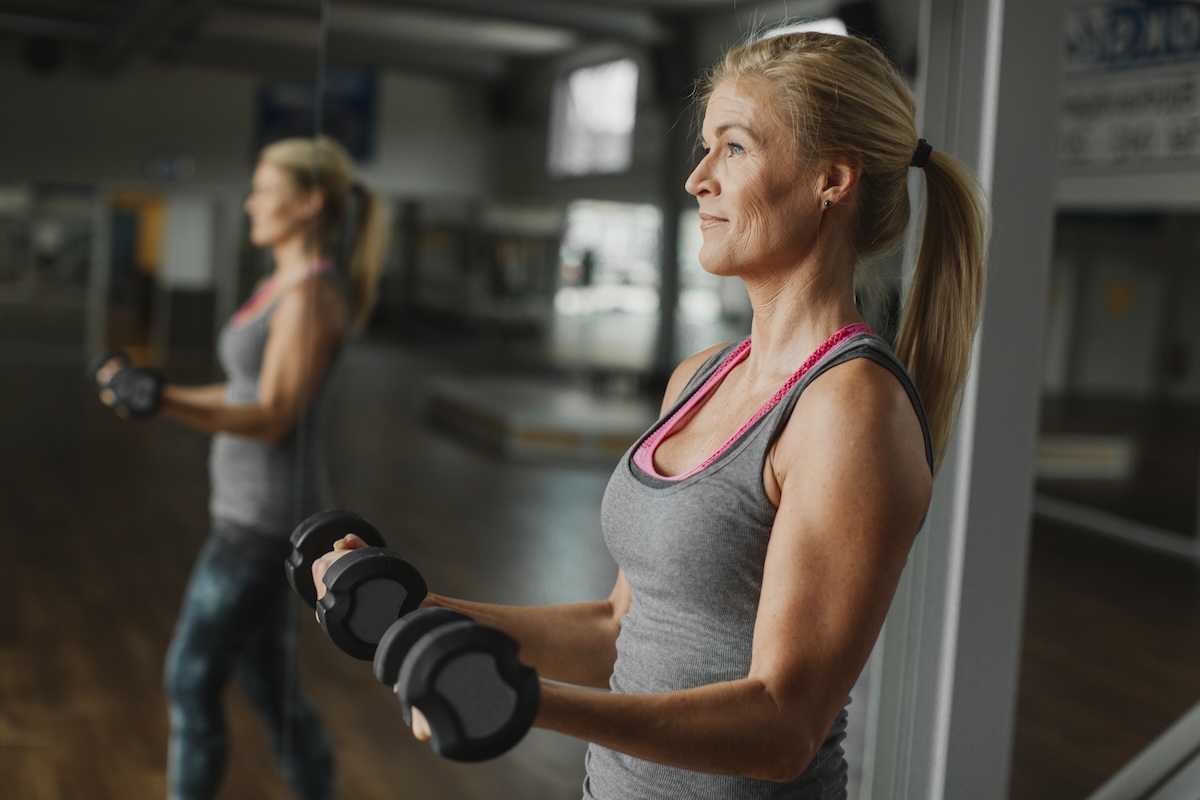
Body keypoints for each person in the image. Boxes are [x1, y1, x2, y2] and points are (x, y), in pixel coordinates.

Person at [316, 29, 986, 799]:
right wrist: (426, 614)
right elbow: (613, 630)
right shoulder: (699, 379)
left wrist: (520, 700)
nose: (698, 178)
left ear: (830, 180)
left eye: (733, 149)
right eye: (705, 149)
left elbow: (782, 726)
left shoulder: (850, 409)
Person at [98, 135, 388, 800]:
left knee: (190, 678)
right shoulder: (279, 285)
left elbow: (272, 416)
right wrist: (157, 393)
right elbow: (241, 394)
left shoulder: (314, 296)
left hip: (265, 521)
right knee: (270, 686)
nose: (252, 203)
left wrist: (162, 399)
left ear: (310, 202)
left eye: (264, 190)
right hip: (249, 510)